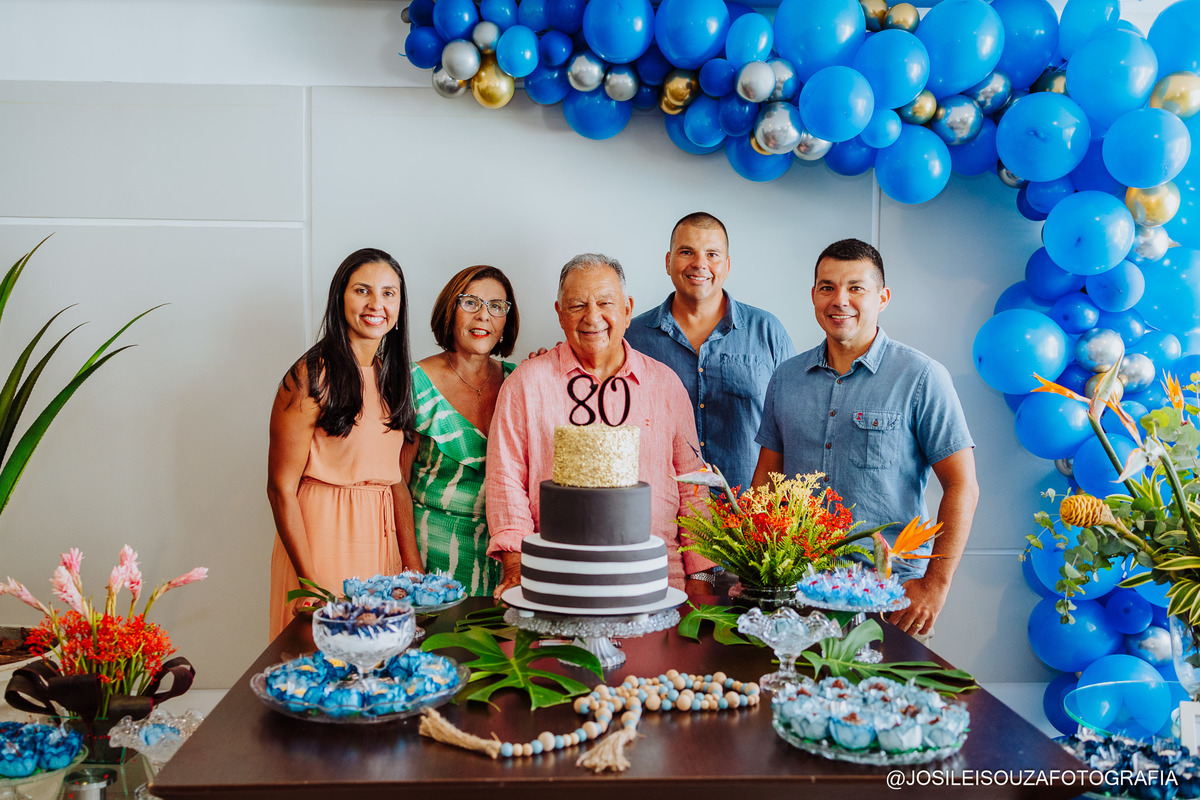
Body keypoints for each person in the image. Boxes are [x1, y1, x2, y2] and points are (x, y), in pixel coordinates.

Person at [752, 238, 979, 638]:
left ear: (883, 297)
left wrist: (934, 585)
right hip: (797, 594)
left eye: (856, 288)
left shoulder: (922, 378)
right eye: (828, 287)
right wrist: (757, 570)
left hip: (890, 597)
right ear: (814, 295)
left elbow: (963, 486)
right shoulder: (785, 379)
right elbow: (766, 487)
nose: (840, 300)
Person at [485, 253, 716, 601]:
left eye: (605, 302)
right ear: (560, 314)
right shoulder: (526, 384)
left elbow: (693, 488)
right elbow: (505, 482)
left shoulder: (665, 384)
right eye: (577, 305)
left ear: (627, 309)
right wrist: (516, 569)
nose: (592, 317)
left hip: (657, 581)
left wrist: (702, 575)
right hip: (554, 578)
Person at [266, 248, 419, 640]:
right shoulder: (311, 375)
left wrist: (410, 563)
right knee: (325, 666)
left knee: (379, 665)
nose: (376, 304)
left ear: (400, 306)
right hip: (323, 538)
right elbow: (281, 487)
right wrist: (309, 581)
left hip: (381, 541)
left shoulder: (392, 377)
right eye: (362, 291)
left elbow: (396, 480)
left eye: (389, 294)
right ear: (340, 299)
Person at [625, 212, 796, 496]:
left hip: (748, 518)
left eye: (712, 254)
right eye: (686, 252)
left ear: (727, 265)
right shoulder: (633, 337)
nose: (699, 264)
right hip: (660, 514)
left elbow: (793, 429)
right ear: (668, 262)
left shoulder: (767, 332)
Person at [400, 266, 520, 597]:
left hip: (507, 564)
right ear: (449, 310)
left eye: (497, 306)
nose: (484, 316)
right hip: (432, 561)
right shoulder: (413, 381)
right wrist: (411, 567)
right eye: (471, 303)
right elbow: (396, 482)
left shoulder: (520, 381)